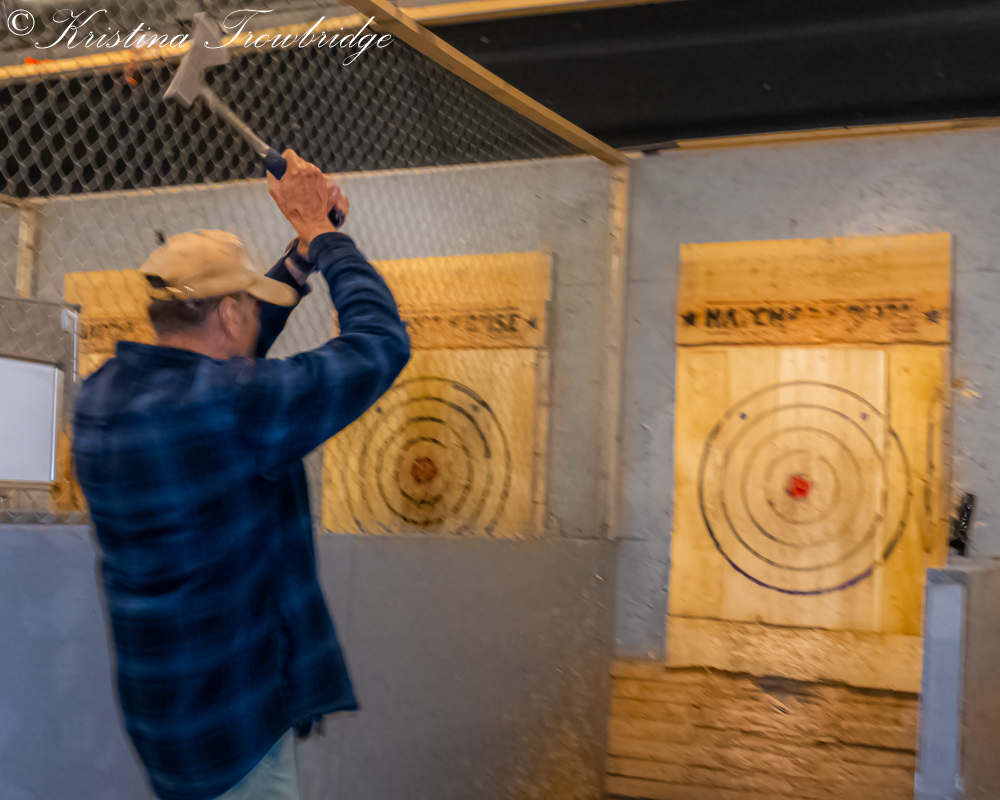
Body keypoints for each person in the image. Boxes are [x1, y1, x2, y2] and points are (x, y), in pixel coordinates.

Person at [72, 151, 411, 800]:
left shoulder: (103, 394)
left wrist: (299, 260)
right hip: (237, 727)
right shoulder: (238, 407)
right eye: (248, 308)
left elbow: (219, 369)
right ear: (229, 315)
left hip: (167, 716)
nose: (253, 319)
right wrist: (326, 236)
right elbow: (381, 341)